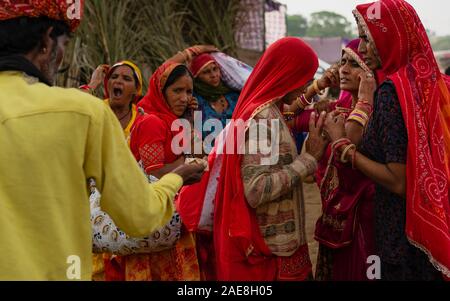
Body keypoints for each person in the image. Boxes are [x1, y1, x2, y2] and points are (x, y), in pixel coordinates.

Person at [0, 1, 205, 280]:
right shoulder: (85, 113)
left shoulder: (119, 115)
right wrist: (178, 177)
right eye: (64, 44)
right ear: (47, 42)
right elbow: (140, 215)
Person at [324, 0, 450, 280]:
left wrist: (343, 148)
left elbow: (398, 180)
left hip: (403, 232)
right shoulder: (432, 82)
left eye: (370, 39)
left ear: (394, 37)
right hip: (436, 220)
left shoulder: (392, 93)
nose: (364, 48)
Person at [184, 37, 328, 281]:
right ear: (289, 74)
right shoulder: (263, 119)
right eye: (305, 76)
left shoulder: (269, 111)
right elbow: (256, 189)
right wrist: (308, 160)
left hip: (283, 248)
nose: (308, 84)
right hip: (273, 253)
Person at [102, 46, 214, 281]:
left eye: (189, 92)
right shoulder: (151, 122)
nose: (184, 98)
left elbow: (199, 153)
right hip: (150, 226)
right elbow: (153, 174)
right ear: (161, 91)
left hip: (172, 223)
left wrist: (189, 122)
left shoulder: (176, 121)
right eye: (177, 91)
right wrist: (187, 166)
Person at [81, 61, 143, 145]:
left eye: (126, 79)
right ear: (108, 84)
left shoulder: (141, 119)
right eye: (114, 77)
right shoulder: (95, 111)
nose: (118, 81)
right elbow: (71, 110)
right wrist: (93, 84)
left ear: (136, 89)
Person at [189, 53, 240, 147]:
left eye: (215, 69)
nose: (213, 75)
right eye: (206, 72)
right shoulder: (194, 101)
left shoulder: (234, 95)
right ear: (197, 77)